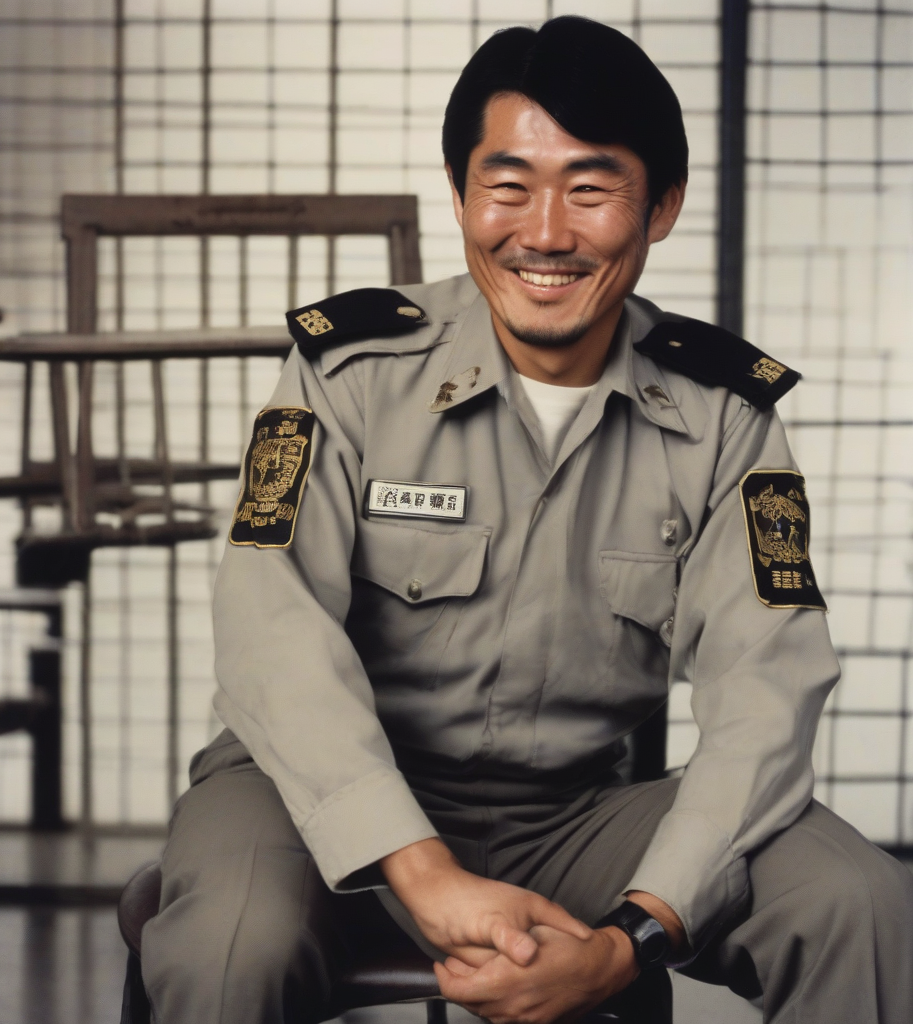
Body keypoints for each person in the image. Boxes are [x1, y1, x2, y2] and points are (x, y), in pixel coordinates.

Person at [141, 16, 913, 1024]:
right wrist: (422, 870)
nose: (544, 232)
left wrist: (629, 935)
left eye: (590, 189)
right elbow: (268, 630)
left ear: (662, 207)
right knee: (228, 942)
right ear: (460, 193)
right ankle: (210, 890)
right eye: (507, 186)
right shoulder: (347, 374)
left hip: (575, 817)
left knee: (861, 901)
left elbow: (767, 685)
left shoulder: (725, 416)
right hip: (311, 801)